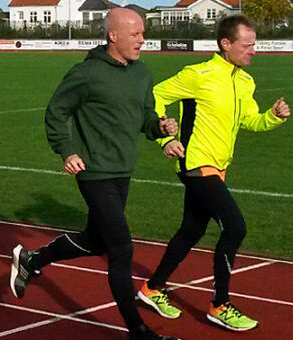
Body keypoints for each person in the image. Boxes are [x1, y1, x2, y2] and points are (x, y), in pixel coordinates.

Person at [10, 8, 180, 340]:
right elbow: (57, 111)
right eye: (135, 35)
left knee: (95, 240)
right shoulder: (87, 73)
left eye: (143, 34)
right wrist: (67, 150)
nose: (142, 40)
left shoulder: (142, 73)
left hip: (122, 169)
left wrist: (159, 127)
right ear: (113, 36)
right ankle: (139, 332)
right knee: (121, 249)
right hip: (93, 170)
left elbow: (145, 116)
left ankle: (32, 260)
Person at [136, 15, 291, 332]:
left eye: (254, 45)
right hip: (194, 164)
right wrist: (166, 137)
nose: (253, 51)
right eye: (247, 45)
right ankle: (220, 305)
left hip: (218, 167)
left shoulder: (245, 81)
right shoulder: (198, 75)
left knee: (191, 231)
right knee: (235, 228)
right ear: (226, 43)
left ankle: (151, 289)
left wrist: (272, 117)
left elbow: (250, 121)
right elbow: (155, 96)